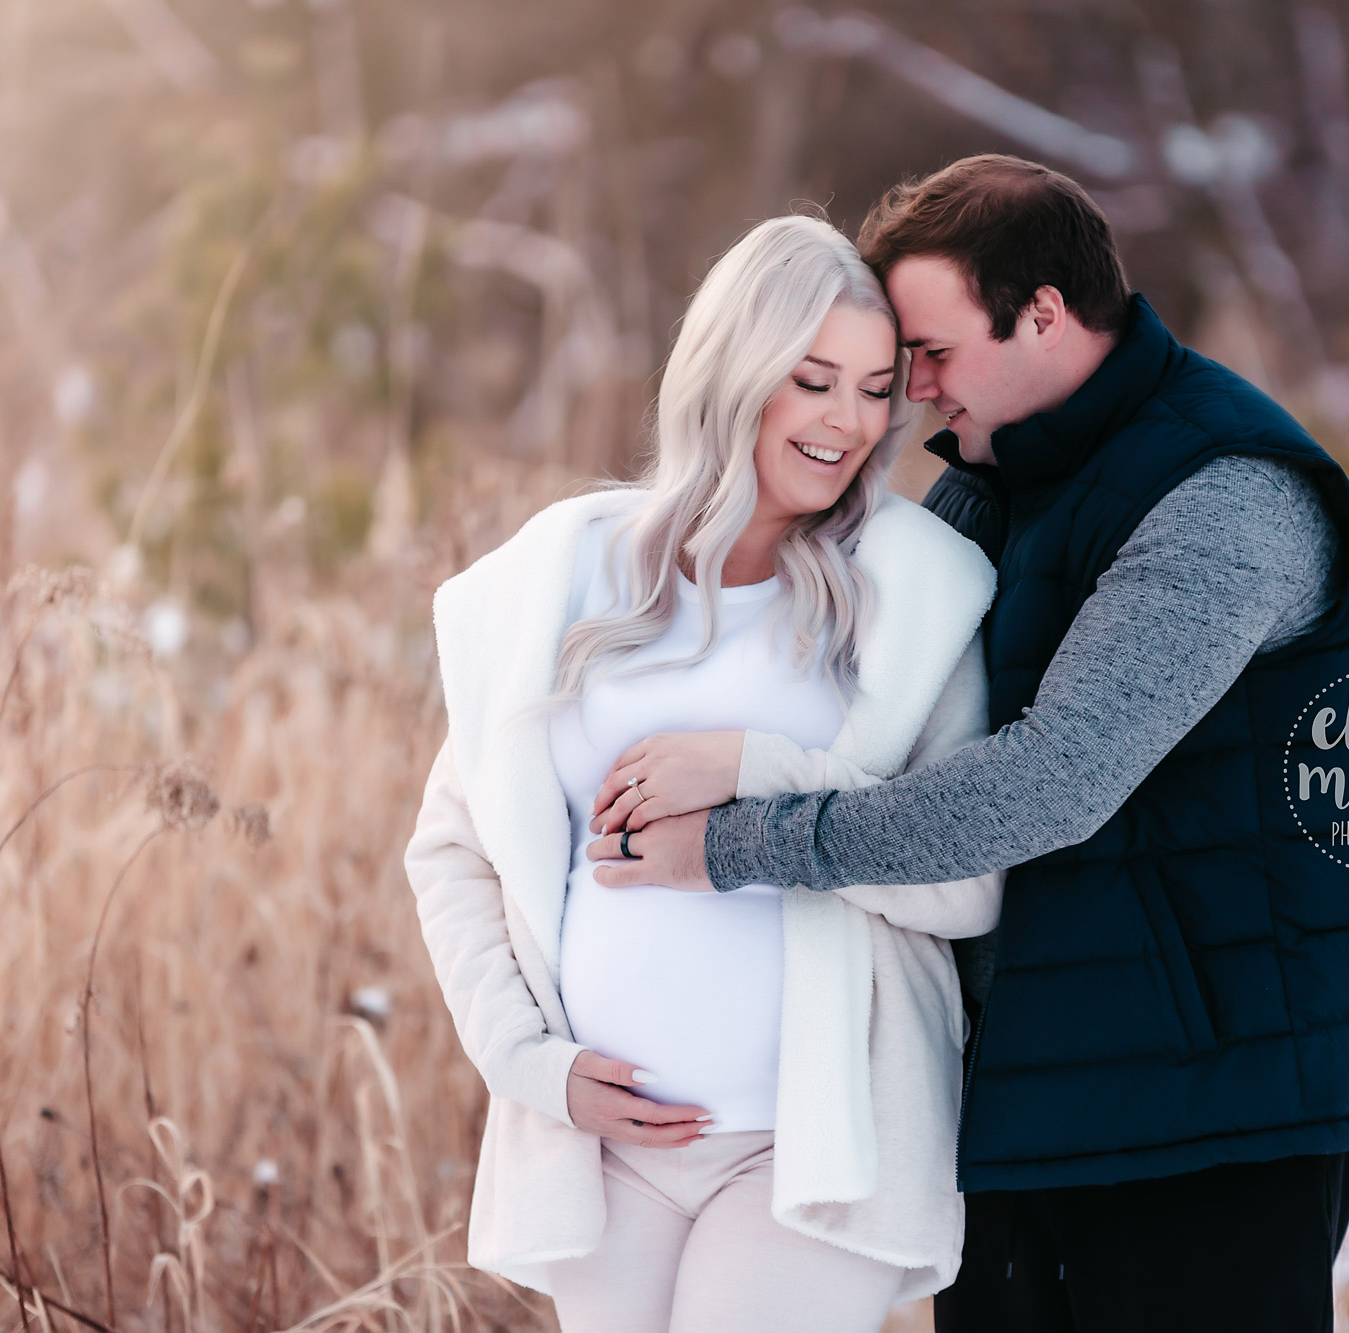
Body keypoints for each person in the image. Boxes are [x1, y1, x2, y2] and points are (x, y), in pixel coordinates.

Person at [587, 155, 1349, 1331]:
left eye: (929, 355)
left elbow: (1049, 782)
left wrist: (734, 839)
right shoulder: (988, 486)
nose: (909, 394)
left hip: (1212, 1111)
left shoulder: (1225, 494)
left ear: (1045, 316)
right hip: (1027, 1095)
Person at [402, 214, 1003, 1333]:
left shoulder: (911, 594)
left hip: (813, 1154)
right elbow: (452, 849)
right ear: (733, 372)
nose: (847, 421)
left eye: (875, 389)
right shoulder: (562, 576)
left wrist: (753, 773)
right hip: (605, 1154)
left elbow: (968, 884)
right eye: (811, 379)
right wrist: (528, 1060)